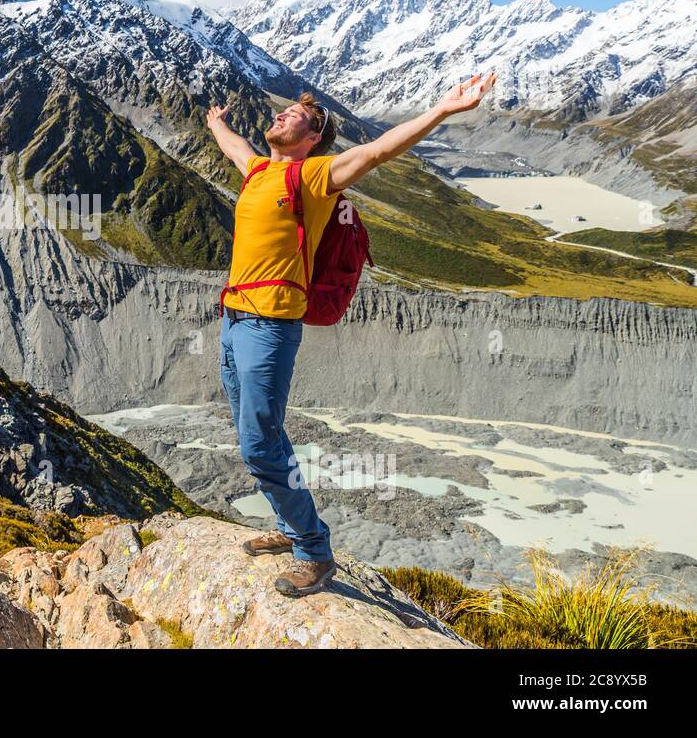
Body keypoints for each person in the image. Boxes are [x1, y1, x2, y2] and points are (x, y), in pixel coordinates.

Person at [206, 73, 496, 596]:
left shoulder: (316, 176)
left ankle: (314, 552)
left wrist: (442, 111)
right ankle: (291, 527)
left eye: (294, 115)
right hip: (232, 320)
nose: (280, 114)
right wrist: (217, 124)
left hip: (269, 326)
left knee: (258, 445)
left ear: (313, 137)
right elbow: (235, 149)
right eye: (282, 112)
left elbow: (381, 149)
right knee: (261, 437)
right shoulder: (256, 172)